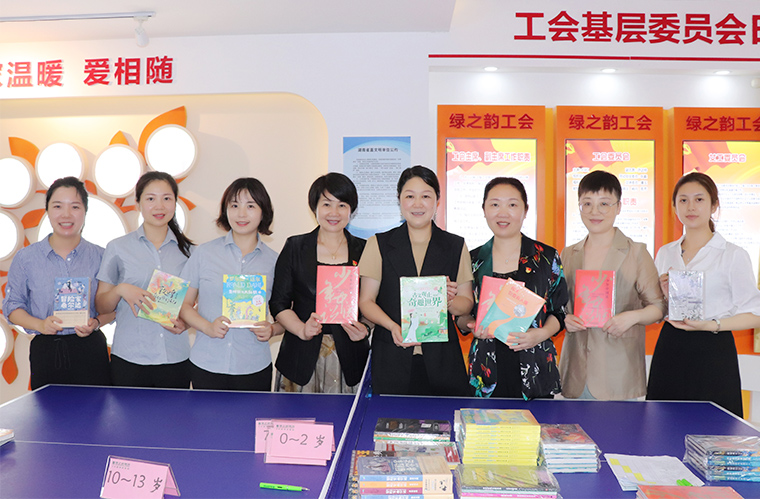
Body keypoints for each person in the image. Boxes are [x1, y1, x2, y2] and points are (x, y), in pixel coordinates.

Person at [647, 172, 760, 417]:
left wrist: (712, 324)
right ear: (674, 207)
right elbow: (659, 309)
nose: (691, 207)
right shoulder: (666, 252)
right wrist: (664, 295)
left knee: (715, 427)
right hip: (671, 346)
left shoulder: (732, 254)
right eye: (683, 200)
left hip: (714, 348)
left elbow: (755, 314)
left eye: (699, 199)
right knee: (663, 421)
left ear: (714, 205)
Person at [359, 165, 474, 396]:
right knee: (390, 417)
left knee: (443, 417)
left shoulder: (455, 245)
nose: (417, 204)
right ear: (399, 200)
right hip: (392, 356)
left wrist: (445, 300)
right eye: (410, 196)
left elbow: (466, 302)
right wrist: (392, 327)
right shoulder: (378, 243)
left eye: (426, 196)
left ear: (437, 201)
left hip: (443, 360)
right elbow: (366, 301)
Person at [559, 171, 665, 400]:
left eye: (604, 204)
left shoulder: (636, 252)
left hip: (620, 373)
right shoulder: (568, 254)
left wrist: (632, 317)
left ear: (619, 207)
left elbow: (658, 307)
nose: (595, 211)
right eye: (587, 203)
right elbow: (558, 306)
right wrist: (564, 319)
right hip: (575, 372)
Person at [460, 177, 568, 399]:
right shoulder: (472, 260)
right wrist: (472, 326)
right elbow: (461, 315)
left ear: (525, 210)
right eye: (495, 204)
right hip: (486, 370)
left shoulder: (546, 257)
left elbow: (559, 310)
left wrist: (541, 334)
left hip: (535, 368)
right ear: (484, 210)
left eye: (512, 204)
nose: (503, 213)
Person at [4, 176, 112, 389]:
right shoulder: (26, 258)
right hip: (46, 352)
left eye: (75, 206)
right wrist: (40, 325)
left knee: (96, 409)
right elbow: (12, 307)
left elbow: (113, 309)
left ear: (85, 211)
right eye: (58, 206)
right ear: (47, 210)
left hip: (90, 351)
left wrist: (97, 323)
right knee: (47, 409)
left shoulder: (102, 256)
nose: (66, 214)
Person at [270, 173, 369, 393]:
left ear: (351, 210)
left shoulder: (365, 250)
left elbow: (374, 302)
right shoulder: (295, 247)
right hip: (300, 356)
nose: (334, 212)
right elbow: (278, 303)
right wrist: (301, 330)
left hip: (351, 359)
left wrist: (365, 329)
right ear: (314, 207)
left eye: (342, 205)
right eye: (326, 204)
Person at [180, 178, 282, 391]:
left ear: (263, 211)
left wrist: (272, 329)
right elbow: (184, 304)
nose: (241, 214)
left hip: (253, 366)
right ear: (225, 210)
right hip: (207, 363)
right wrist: (208, 327)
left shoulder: (275, 261)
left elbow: (286, 314)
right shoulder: (204, 253)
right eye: (234, 205)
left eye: (250, 206)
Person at [96, 171, 194, 388]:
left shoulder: (190, 252)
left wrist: (187, 323)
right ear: (138, 203)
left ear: (175, 202)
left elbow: (197, 303)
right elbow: (102, 305)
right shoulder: (118, 248)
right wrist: (121, 289)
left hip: (175, 357)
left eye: (166, 198)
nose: (159, 206)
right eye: (151, 198)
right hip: (130, 359)